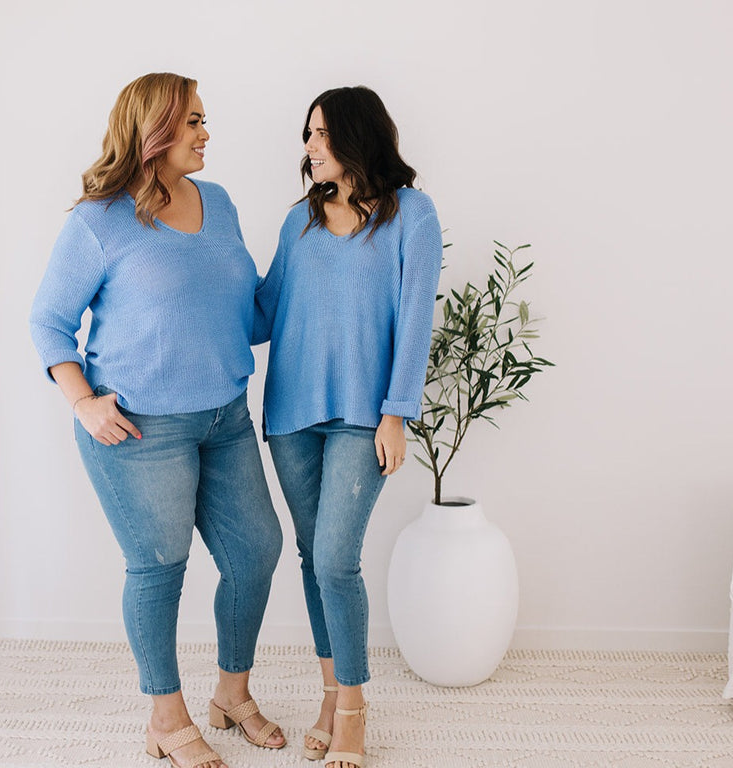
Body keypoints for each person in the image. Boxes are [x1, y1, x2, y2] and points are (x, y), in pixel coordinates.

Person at [30, 72, 286, 768]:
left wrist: (307, 244)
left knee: (256, 552)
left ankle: (231, 694)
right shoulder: (99, 220)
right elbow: (48, 322)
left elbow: (249, 315)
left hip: (225, 417)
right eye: (193, 121)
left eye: (204, 120)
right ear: (156, 130)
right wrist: (83, 401)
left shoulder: (219, 202)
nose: (206, 133)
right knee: (158, 568)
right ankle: (165, 719)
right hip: (138, 429)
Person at [254, 86, 443, 768]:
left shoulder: (411, 214)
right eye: (307, 134)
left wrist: (396, 414)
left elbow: (416, 322)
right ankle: (331, 696)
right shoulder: (298, 221)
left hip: (365, 417)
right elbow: (264, 311)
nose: (309, 146)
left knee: (336, 558)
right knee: (315, 557)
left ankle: (354, 712)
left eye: (322, 133)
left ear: (358, 136)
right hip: (291, 415)